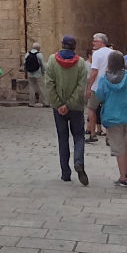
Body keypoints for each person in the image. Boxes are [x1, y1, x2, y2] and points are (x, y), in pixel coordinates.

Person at [91, 50, 127, 187]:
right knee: (126, 146)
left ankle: (122, 177)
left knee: (119, 148)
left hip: (112, 117)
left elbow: (100, 97)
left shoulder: (103, 78)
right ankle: (126, 172)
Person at [43, 34, 89, 185]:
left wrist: (59, 104)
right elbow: (81, 87)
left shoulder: (51, 60)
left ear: (62, 45)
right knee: (79, 136)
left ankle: (65, 173)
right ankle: (78, 161)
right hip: (76, 107)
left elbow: (49, 84)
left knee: (63, 139)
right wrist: (69, 104)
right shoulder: (81, 63)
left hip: (59, 108)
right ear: (74, 47)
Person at [84, 33, 114, 139]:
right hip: (110, 85)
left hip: (97, 85)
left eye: (95, 41)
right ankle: (109, 135)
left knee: (92, 109)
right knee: (109, 109)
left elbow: (94, 71)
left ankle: (92, 133)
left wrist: (89, 86)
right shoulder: (113, 53)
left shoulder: (96, 54)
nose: (93, 43)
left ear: (101, 42)